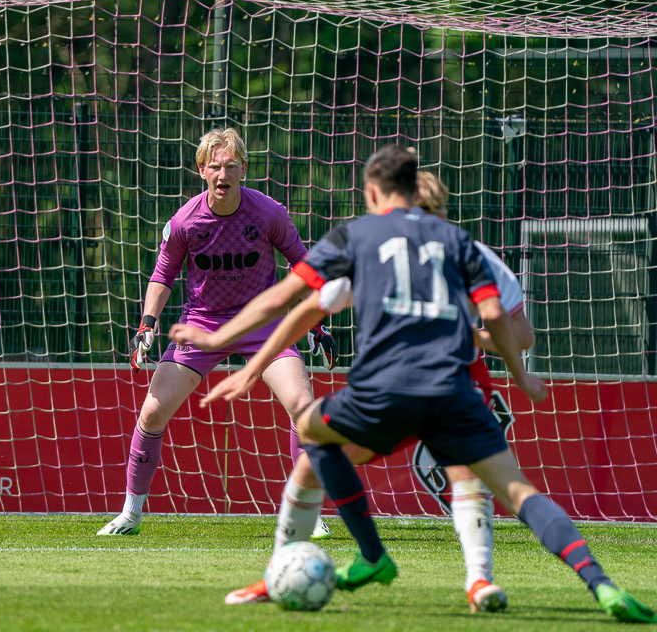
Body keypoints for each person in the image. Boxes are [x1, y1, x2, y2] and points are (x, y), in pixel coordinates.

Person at [170, 145, 654, 623]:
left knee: (312, 433)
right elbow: (497, 317)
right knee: (520, 493)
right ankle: (602, 586)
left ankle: (370, 554)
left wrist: (227, 344)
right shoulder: (459, 241)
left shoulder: (357, 235)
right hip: (455, 391)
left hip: (384, 389)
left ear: (376, 191)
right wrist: (521, 373)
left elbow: (286, 300)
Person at [213, 171, 537, 612]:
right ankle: (282, 573)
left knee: (469, 475)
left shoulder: (461, 251)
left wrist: (479, 341)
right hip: (401, 390)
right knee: (312, 463)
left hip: (442, 386)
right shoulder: (386, 249)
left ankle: (475, 580)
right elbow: (308, 306)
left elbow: (516, 329)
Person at [97, 127, 337, 537]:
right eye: (214, 166)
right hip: (202, 323)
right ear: (202, 171)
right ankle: (131, 513)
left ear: (244, 169)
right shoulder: (185, 221)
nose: (222, 173)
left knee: (302, 404)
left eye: (230, 165)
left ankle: (305, 515)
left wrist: (316, 321)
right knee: (152, 411)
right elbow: (163, 274)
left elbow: (303, 265)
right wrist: (147, 327)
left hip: (263, 322)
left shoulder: (268, 213)